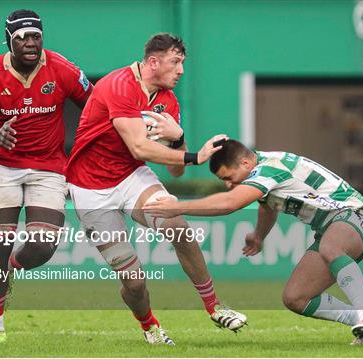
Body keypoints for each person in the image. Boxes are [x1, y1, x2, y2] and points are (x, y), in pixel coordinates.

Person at [65, 33, 247, 345]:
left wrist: (178, 139)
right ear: (153, 62)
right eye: (176, 62)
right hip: (90, 188)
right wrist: (196, 156)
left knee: (178, 226)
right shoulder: (118, 84)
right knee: (134, 283)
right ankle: (150, 326)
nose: (181, 70)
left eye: (183, 63)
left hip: (131, 177)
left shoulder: (168, 101)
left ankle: (214, 306)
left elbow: (174, 171)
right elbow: (139, 146)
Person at [143, 139, 363, 344]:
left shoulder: (270, 168)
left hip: (357, 216)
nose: (229, 185)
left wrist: (177, 207)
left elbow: (231, 203)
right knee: (296, 298)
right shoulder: (262, 168)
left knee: (331, 247)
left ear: (245, 163)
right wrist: (259, 235)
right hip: (331, 227)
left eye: (230, 178)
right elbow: (268, 206)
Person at [0, 9, 93, 343]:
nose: (31, 43)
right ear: (9, 40)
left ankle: (12, 268)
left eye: (36, 36)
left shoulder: (63, 69)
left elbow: (97, 106)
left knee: (43, 245)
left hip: (49, 167)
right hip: (2, 167)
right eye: (23, 37)